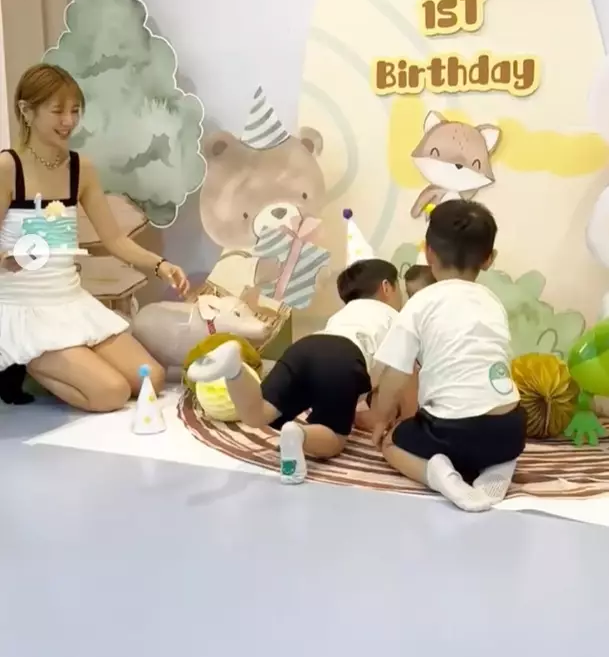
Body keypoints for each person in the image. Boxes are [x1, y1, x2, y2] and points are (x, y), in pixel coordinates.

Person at [0, 64, 190, 411]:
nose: (68, 121)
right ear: (26, 111)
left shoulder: (81, 169)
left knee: (152, 378)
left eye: (75, 110)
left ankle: (66, 359)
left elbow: (115, 239)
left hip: (70, 302)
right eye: (58, 111)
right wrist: (6, 259)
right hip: (24, 311)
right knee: (110, 393)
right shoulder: (7, 168)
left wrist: (160, 264)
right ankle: (27, 357)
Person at [187, 258, 403, 483]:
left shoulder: (345, 313)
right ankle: (299, 434)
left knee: (257, 413)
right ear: (387, 287)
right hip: (344, 356)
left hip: (306, 347)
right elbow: (398, 379)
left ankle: (235, 370)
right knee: (334, 439)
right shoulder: (398, 319)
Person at [373, 200, 526, 513]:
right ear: (489, 259)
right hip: (510, 429)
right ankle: (499, 465)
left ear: (428, 252)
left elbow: (395, 376)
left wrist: (381, 420)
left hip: (450, 432)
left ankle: (439, 475)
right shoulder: (492, 302)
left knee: (392, 442)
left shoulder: (420, 303)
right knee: (494, 435)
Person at [354, 264, 436, 432]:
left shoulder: (437, 321)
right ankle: (386, 418)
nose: (412, 302)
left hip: (430, 392)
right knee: (395, 366)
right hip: (396, 387)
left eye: (418, 295)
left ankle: (402, 420)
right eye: (409, 295)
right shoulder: (406, 320)